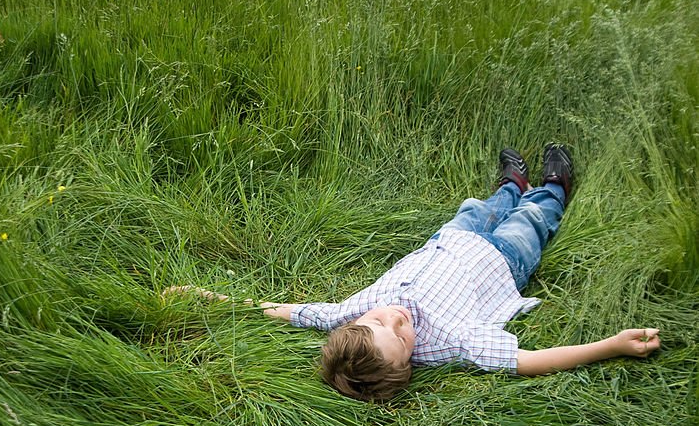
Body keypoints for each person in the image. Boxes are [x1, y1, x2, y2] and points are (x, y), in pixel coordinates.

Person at [163, 145, 660, 402]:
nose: (396, 320)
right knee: (532, 221)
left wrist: (209, 297)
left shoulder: (351, 316)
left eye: (381, 323)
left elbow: (286, 311)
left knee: (481, 205)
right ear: (410, 360)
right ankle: (553, 187)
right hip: (502, 262)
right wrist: (611, 346)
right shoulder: (454, 342)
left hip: (452, 237)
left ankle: (512, 184)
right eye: (400, 337)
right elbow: (528, 360)